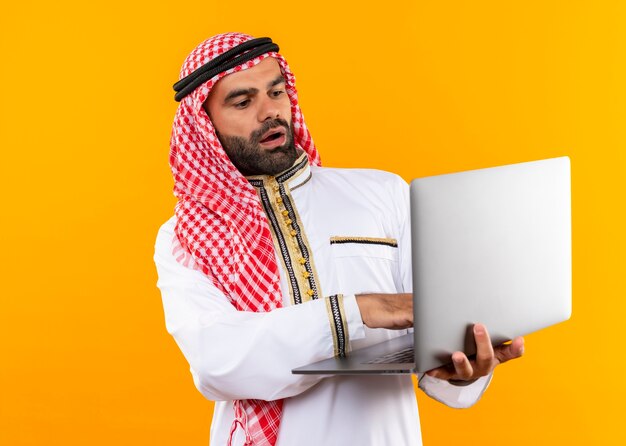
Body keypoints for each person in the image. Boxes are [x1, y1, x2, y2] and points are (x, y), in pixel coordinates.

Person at [154, 32, 524, 446]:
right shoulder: (184, 237)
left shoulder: (382, 193)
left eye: (276, 92)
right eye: (243, 102)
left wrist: (461, 370)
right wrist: (359, 311)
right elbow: (218, 361)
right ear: (202, 126)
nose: (269, 112)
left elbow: (434, 336)